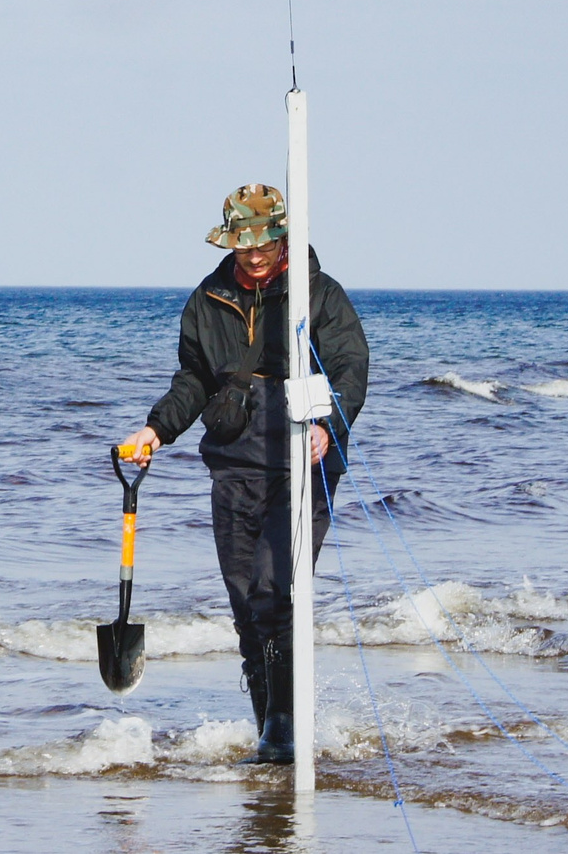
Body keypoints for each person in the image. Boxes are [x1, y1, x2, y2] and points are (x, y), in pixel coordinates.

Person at [118, 183, 369, 764]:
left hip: (302, 464)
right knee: (244, 605)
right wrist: (156, 429)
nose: (253, 256)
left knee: (272, 591)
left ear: (282, 238)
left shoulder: (319, 295)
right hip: (233, 466)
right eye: (243, 247)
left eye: (263, 245)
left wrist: (330, 424)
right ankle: (269, 731)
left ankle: (283, 730)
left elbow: (351, 368)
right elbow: (193, 380)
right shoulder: (208, 299)